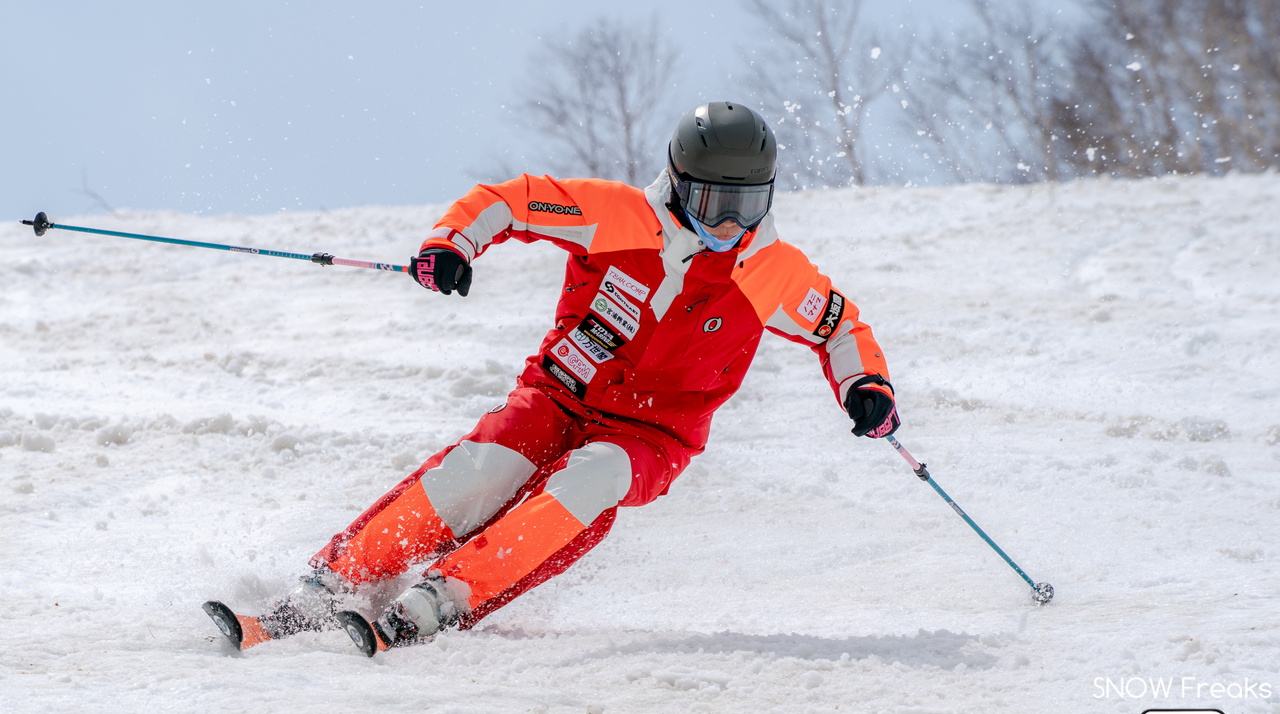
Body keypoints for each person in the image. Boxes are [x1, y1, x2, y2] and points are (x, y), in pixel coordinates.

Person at [211, 101, 899, 655]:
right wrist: (452, 243)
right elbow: (510, 201)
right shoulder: (619, 215)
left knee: (590, 481)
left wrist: (866, 386)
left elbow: (840, 328)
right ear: (679, 182)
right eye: (712, 199)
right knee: (481, 471)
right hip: (558, 396)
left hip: (651, 436)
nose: (727, 223)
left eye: (745, 206)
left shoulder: (772, 270)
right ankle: (331, 584)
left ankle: (443, 598)